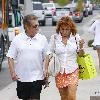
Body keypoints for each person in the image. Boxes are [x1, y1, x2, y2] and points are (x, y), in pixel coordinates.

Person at [6, 14, 48, 100]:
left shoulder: (42, 39)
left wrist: (46, 69)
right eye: (35, 26)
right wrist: (12, 72)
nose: (37, 28)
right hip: (22, 78)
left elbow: (46, 56)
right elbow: (10, 57)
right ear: (27, 26)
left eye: (38, 25)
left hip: (37, 77)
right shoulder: (17, 39)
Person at [44, 16, 84, 100]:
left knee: (72, 96)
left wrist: (81, 46)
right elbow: (48, 54)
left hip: (73, 70)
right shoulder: (54, 38)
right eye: (62, 29)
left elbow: (81, 55)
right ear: (59, 29)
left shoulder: (76, 37)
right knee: (64, 97)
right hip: (59, 71)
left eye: (67, 29)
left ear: (71, 28)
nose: (64, 31)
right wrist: (46, 69)